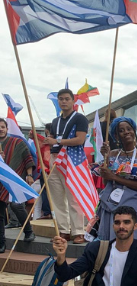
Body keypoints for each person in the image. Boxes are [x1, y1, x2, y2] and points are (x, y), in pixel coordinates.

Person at [95, 117, 137, 245]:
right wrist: (105, 159)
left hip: (132, 204)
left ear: (134, 131)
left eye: (129, 129)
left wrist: (115, 177)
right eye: (122, 130)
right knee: (109, 244)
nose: (126, 132)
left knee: (134, 243)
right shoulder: (112, 154)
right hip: (110, 205)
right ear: (116, 136)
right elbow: (107, 182)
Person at [43, 89, 89, 243]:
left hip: (71, 159)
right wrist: (44, 139)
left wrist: (57, 141)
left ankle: (78, 231)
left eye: (66, 99)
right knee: (57, 197)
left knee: (73, 196)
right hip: (55, 159)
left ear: (73, 100)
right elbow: (53, 139)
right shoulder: (55, 121)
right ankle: (63, 230)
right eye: (61, 99)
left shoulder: (80, 118)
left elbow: (80, 140)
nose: (63, 101)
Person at [0, 118, 36, 252]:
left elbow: (27, 158)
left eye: (2, 127)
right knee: (0, 212)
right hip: (0, 181)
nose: (0, 129)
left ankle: (28, 231)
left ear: (6, 128)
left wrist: (29, 175)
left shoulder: (17, 142)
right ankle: (1, 243)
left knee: (16, 205)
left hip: (15, 177)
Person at [31, 127, 52, 219]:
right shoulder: (47, 144)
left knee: (45, 193)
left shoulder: (50, 143)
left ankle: (48, 212)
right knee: (39, 199)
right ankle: (47, 213)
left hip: (50, 171)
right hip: (45, 173)